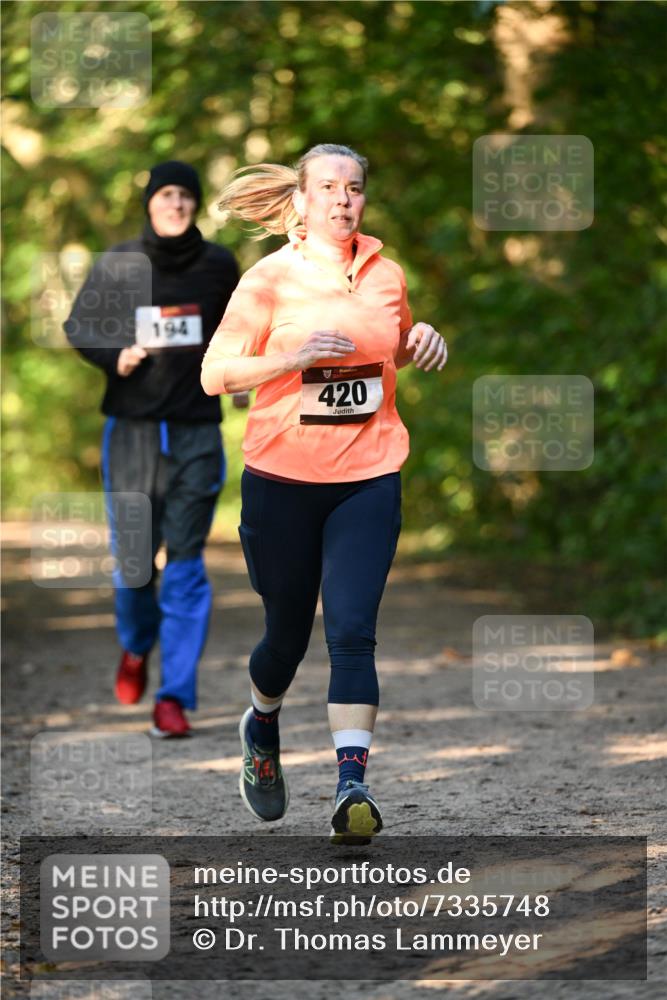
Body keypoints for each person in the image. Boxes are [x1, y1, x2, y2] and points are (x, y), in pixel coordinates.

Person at [201, 143, 446, 843]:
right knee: (286, 639)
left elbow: (386, 347)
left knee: (351, 632)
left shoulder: (386, 274)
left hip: (367, 475)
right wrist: (293, 358)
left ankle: (350, 786)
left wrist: (418, 340)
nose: (344, 198)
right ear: (302, 202)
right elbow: (214, 375)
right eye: (330, 187)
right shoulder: (267, 280)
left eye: (355, 187)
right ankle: (262, 722)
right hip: (281, 481)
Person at [65, 160, 241, 737]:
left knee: (186, 564)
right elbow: (79, 327)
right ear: (149, 202)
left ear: (195, 204)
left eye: (185, 195)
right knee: (137, 564)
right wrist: (115, 352)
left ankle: (174, 697)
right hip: (133, 430)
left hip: (195, 429)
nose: (176, 203)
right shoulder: (119, 263)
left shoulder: (219, 266)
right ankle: (136, 646)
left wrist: (241, 381)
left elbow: (242, 331)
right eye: (165, 194)